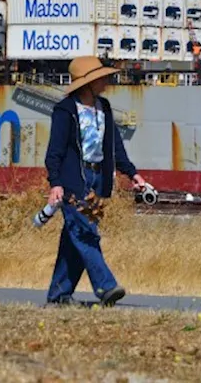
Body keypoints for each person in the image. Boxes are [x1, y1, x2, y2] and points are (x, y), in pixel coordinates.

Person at [44, 55, 148, 306]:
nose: (106, 81)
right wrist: (55, 182)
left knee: (74, 237)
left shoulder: (104, 107)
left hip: (97, 179)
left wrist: (132, 173)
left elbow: (114, 146)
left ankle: (58, 296)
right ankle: (106, 287)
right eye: (101, 78)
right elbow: (54, 151)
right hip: (73, 180)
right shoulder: (65, 111)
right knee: (85, 232)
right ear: (87, 83)